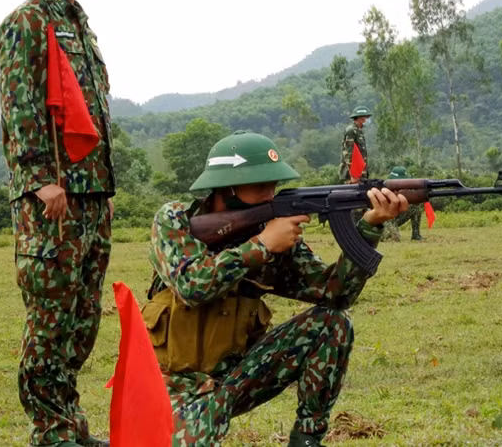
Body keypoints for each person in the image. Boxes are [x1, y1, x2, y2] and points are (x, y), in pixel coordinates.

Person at [142, 131, 407, 446]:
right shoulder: (176, 220)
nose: (270, 194)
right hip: (175, 389)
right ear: (227, 187)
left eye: (273, 184)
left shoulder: (274, 232)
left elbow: (336, 294)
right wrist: (262, 245)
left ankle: (305, 440)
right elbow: (191, 286)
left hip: (237, 380)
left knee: (331, 322)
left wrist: (369, 227)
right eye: (259, 185)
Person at [0, 0, 117, 445]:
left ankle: (68, 423)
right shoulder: (26, 22)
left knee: (81, 319)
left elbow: (93, 114)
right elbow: (20, 106)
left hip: (90, 197)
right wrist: (41, 177)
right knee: (49, 320)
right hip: (53, 198)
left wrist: (104, 189)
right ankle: (50, 430)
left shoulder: (78, 22)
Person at [381, 166, 425, 242]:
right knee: (393, 239)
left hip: (395, 218)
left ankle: (416, 235)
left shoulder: (403, 190)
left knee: (416, 208)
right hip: (385, 220)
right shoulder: (385, 190)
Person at [339, 105, 372, 184]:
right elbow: (348, 153)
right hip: (354, 174)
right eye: (366, 117)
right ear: (360, 118)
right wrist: (353, 175)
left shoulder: (359, 131)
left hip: (361, 172)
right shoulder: (351, 131)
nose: (367, 119)